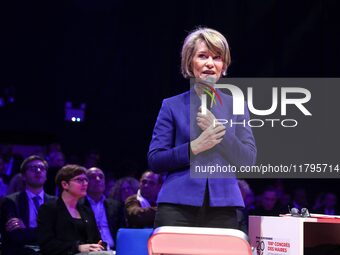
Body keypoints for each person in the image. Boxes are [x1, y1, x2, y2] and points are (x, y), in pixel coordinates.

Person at [148, 27, 256, 229]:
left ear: (223, 65)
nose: (209, 63)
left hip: (224, 207)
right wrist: (194, 148)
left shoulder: (237, 106)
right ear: (190, 62)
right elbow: (155, 160)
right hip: (176, 205)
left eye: (217, 58)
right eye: (202, 56)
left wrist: (220, 134)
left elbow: (248, 160)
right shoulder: (171, 105)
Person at [37, 164, 104, 255]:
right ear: (65, 185)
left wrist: (99, 246)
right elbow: (47, 245)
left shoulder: (87, 211)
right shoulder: (49, 209)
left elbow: (97, 239)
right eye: (79, 180)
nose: (85, 183)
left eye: (86, 180)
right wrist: (77, 247)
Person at [0, 155, 56, 255]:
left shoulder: (56, 202)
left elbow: (61, 233)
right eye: (33, 168)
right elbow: (16, 236)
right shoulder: (11, 201)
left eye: (42, 168)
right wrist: (46, 233)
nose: (38, 170)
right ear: (24, 176)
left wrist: (27, 229)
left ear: (46, 176)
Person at [82, 167, 125, 250]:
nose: (98, 179)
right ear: (85, 182)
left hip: (115, 249)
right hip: (91, 250)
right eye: (93, 177)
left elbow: (122, 230)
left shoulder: (115, 205)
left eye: (101, 177)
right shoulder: (79, 205)